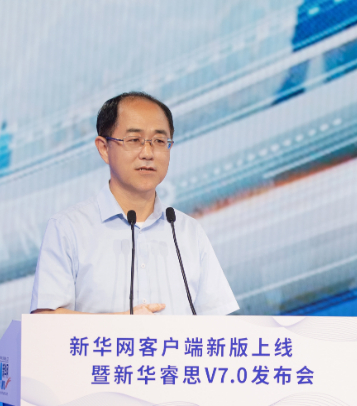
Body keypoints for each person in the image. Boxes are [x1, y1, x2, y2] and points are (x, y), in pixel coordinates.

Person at [30, 92, 239, 315]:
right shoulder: (68, 228)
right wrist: (122, 325)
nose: (148, 153)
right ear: (104, 148)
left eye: (159, 141)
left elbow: (218, 323)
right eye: (134, 140)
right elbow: (45, 320)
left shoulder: (188, 231)